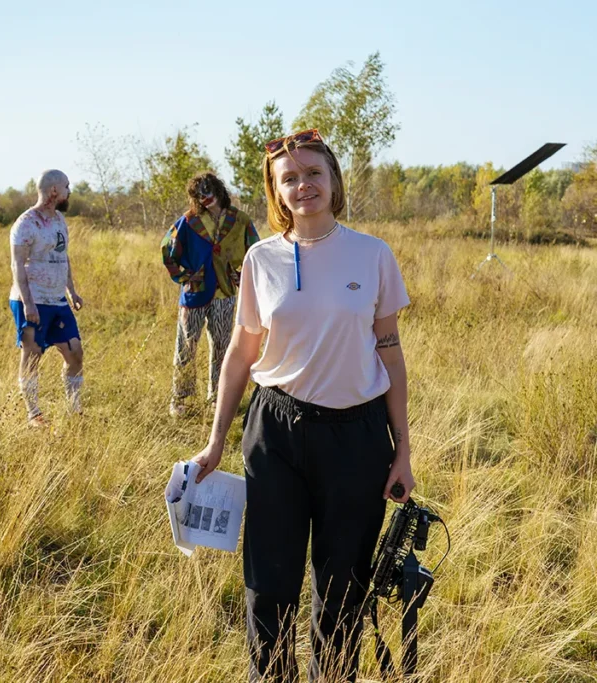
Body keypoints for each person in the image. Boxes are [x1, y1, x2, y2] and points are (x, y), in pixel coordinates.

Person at [190, 129, 415, 682]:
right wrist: (216, 440)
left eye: (313, 173)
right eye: (288, 178)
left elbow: (389, 352)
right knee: (269, 586)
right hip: (276, 432)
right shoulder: (260, 260)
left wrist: (403, 450)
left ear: (334, 179)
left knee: (341, 590)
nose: (303, 185)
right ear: (276, 191)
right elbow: (241, 354)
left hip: (356, 438)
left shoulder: (373, 253)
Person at [161, 172, 260, 417]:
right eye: (198, 194)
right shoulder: (188, 221)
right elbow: (167, 249)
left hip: (225, 292)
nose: (204, 197)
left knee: (223, 346)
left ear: (218, 190)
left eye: (207, 190)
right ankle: (180, 398)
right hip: (194, 293)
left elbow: (257, 252)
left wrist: (242, 276)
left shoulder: (239, 220)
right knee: (186, 346)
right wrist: (184, 277)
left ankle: (218, 397)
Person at [9, 169, 84, 427]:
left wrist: (71, 291)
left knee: (75, 352)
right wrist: (28, 304)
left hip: (57, 300)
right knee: (33, 354)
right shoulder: (26, 223)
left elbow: (63, 257)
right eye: (66, 186)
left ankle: (74, 409)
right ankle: (34, 414)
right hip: (32, 300)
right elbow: (17, 264)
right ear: (54, 191)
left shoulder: (60, 220)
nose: (69, 191)